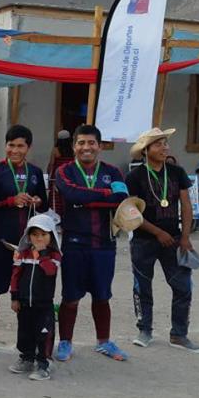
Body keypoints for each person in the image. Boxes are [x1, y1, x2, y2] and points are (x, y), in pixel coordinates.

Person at [54, 124, 129, 362]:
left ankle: (104, 342)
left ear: (100, 146)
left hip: (104, 243)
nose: (86, 147)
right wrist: (104, 194)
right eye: (81, 143)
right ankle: (65, 342)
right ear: (74, 146)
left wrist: (86, 199)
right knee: (71, 297)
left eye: (91, 143)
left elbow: (121, 198)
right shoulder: (63, 171)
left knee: (102, 296)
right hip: (74, 242)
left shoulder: (113, 171)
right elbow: (71, 195)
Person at [125, 128, 199, 353]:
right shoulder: (135, 176)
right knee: (142, 286)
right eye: (158, 144)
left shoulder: (177, 172)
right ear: (146, 150)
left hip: (174, 239)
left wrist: (185, 236)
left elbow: (186, 205)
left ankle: (179, 334)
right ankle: (144, 330)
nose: (165, 148)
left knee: (183, 286)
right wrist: (157, 232)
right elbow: (130, 210)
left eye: (165, 143)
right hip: (143, 240)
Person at [0, 125, 47, 356]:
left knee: (25, 293)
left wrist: (36, 201)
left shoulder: (35, 172)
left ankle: (25, 341)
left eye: (20, 146)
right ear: (5, 145)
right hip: (0, 239)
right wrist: (10, 201)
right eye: (11, 145)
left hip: (28, 243)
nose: (15, 150)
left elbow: (44, 204)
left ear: (28, 147)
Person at [8, 214, 62, 381]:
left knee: (44, 334)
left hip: (44, 305)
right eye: (35, 235)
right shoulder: (23, 254)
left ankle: (43, 364)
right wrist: (15, 298)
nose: (39, 238)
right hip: (24, 303)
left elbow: (50, 271)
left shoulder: (54, 255)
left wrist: (42, 254)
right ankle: (27, 358)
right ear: (28, 236)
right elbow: (16, 276)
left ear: (51, 235)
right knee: (24, 332)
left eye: (43, 235)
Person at [48, 129, 74, 221]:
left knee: (55, 198)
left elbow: (51, 164)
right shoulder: (73, 150)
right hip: (68, 177)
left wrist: (49, 174)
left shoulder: (55, 150)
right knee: (66, 197)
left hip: (56, 178)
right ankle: (66, 217)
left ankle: (55, 217)